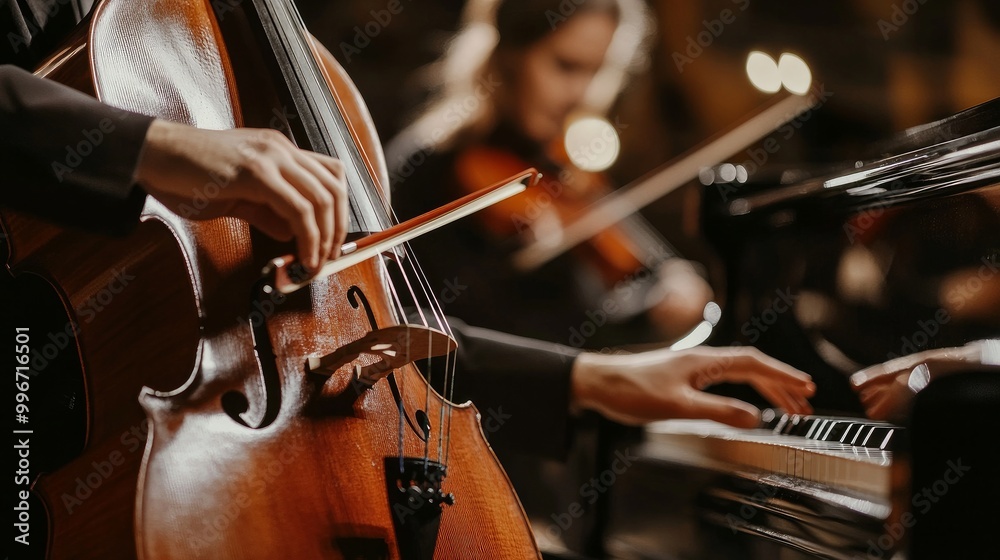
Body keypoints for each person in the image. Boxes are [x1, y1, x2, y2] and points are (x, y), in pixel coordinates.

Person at [387, 0, 714, 349]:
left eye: (596, 71)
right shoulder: (431, 168)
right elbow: (487, 337)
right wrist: (640, 320)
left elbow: (640, 268)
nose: (581, 94)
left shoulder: (561, 165)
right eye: (566, 66)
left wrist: (671, 280)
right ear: (509, 55)